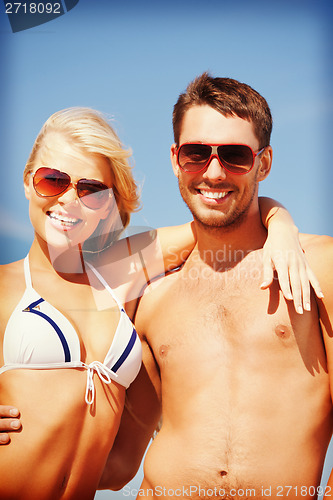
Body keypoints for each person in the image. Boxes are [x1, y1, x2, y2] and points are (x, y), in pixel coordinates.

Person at [0, 106, 321, 499]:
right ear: (27, 182)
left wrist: (282, 225)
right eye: (52, 180)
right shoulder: (5, 285)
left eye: (91, 190)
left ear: (109, 204)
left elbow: (218, 213)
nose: (70, 200)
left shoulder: (119, 272)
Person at [96, 74, 332, 499]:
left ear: (265, 162)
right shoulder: (152, 296)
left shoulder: (318, 269)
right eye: (196, 154)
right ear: (175, 159)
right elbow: (117, 464)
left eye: (236, 155)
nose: (214, 171)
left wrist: (279, 221)